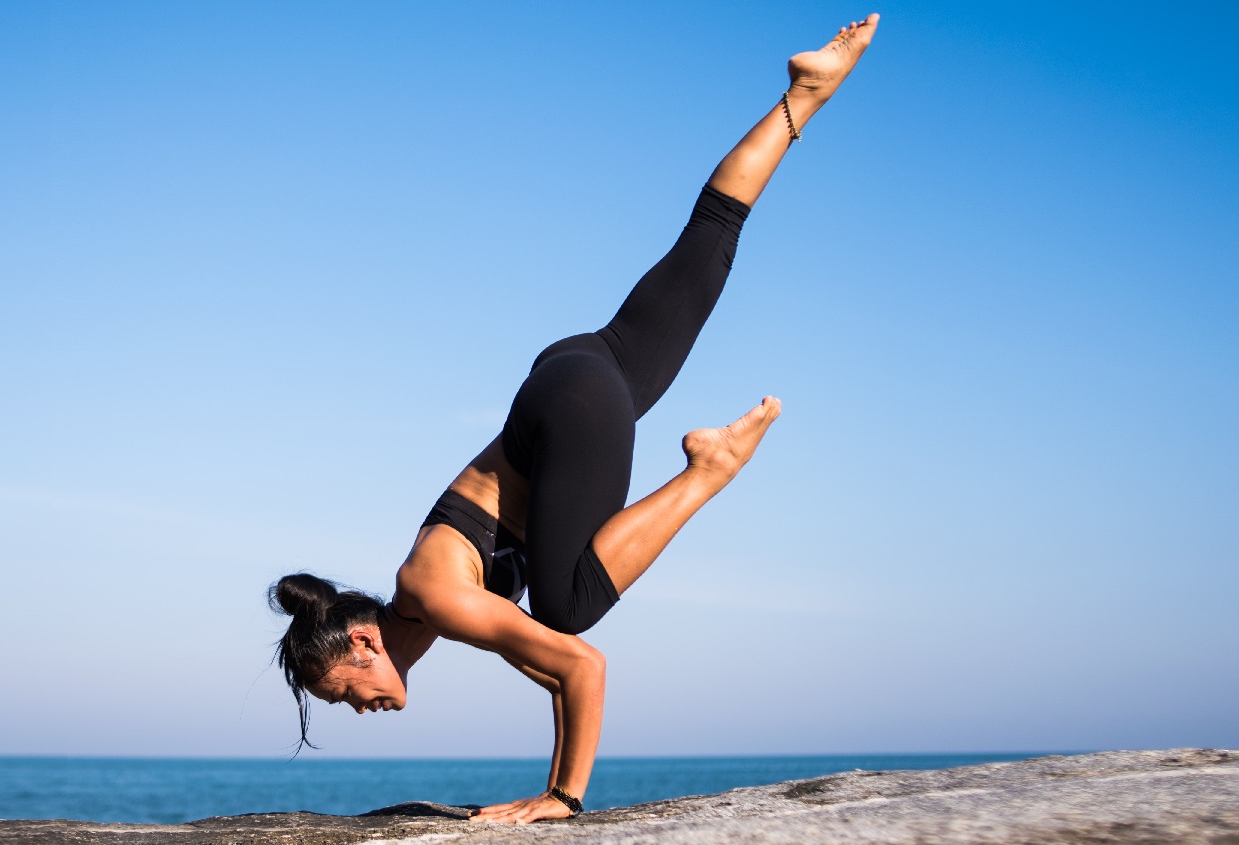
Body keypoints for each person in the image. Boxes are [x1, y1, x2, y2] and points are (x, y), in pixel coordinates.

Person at [267, 14, 880, 825]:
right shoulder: (424, 605)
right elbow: (548, 671)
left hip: (572, 410)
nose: (356, 708)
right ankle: (806, 93)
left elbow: (578, 664)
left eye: (343, 693)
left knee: (566, 608)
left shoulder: (434, 596)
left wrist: (559, 796)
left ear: (362, 645)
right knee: (707, 243)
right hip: (574, 374)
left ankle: (707, 469)